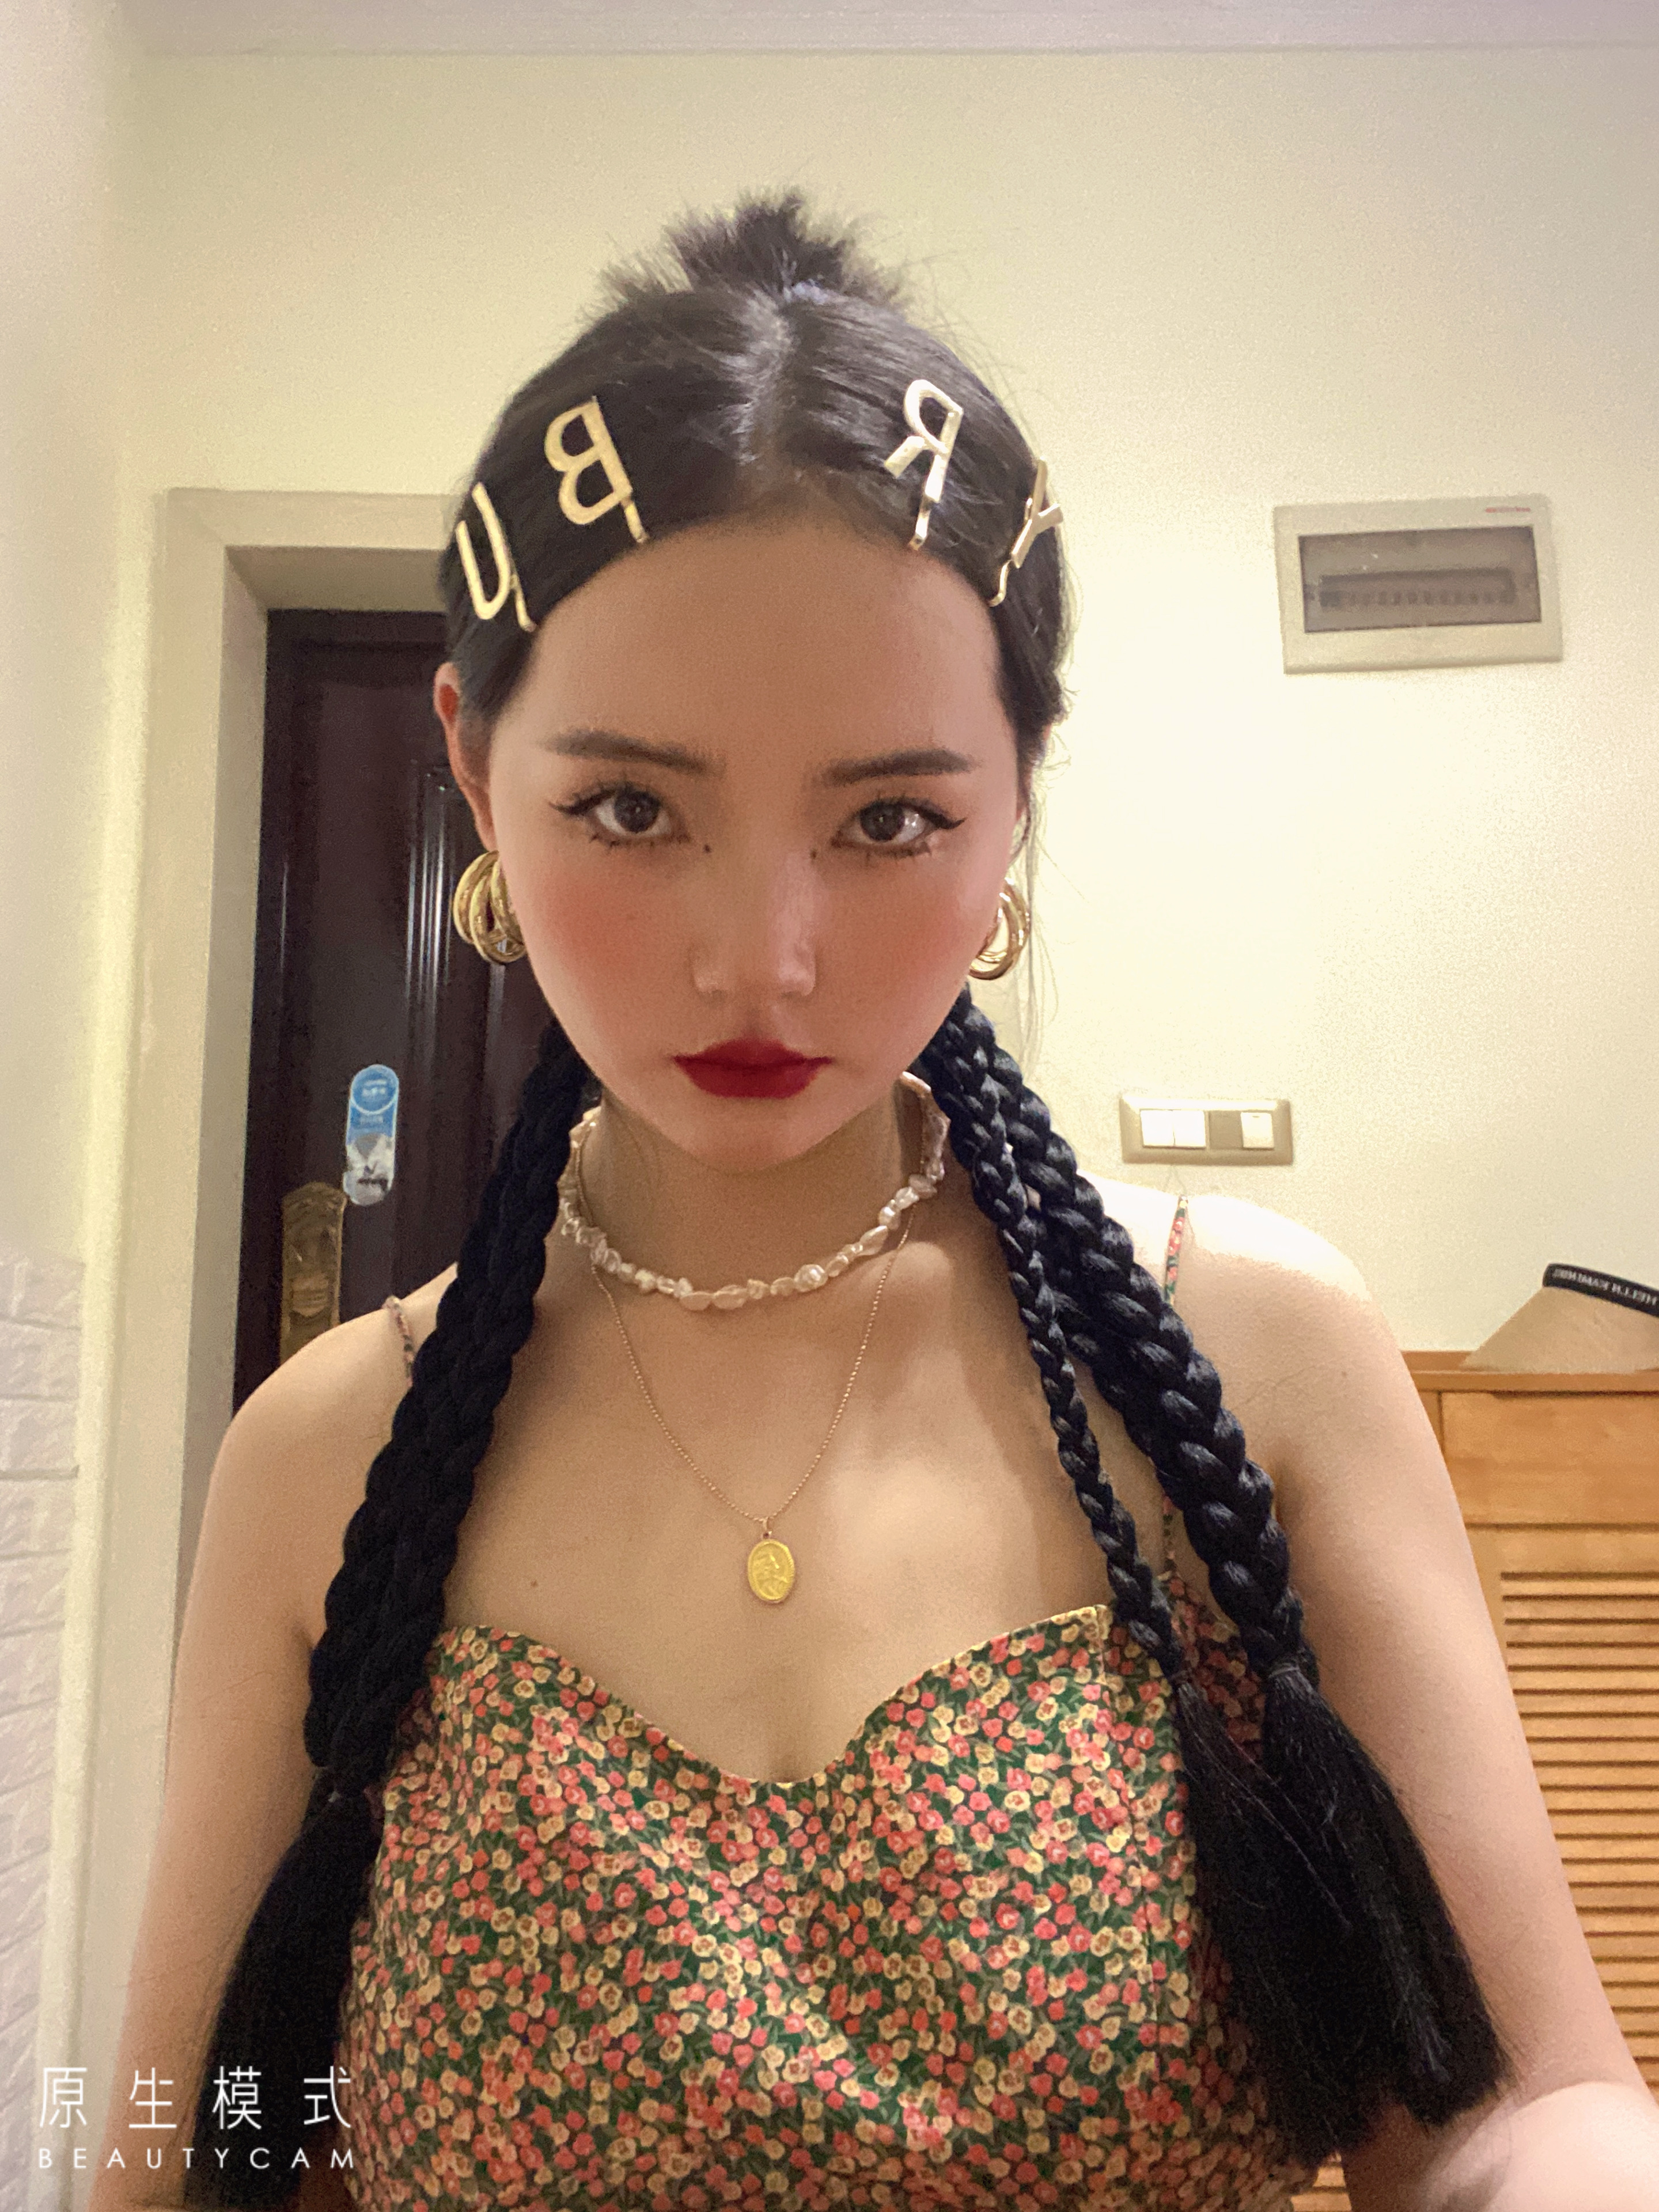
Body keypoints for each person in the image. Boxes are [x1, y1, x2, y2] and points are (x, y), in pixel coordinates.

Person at [93, 192, 1658, 2212]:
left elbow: (1510, 2109)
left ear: (1018, 803)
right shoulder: (325, 1460)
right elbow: (196, 2149)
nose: (764, 959)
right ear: (476, 775)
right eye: (631, 808)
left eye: (891, 818)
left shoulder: (1252, 1353)